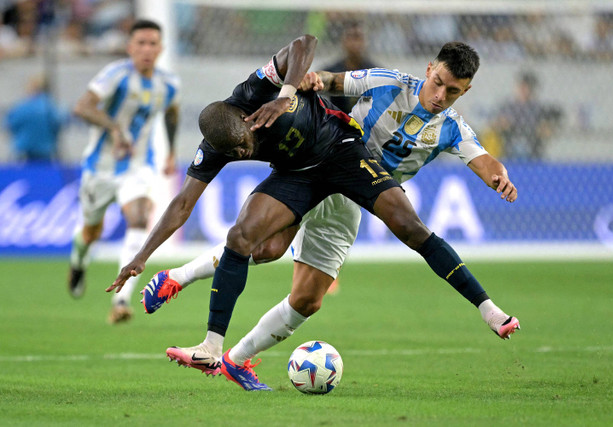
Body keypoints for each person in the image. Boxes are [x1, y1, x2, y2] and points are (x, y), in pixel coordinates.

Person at [108, 35, 519, 391]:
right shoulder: (388, 83)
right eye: (438, 84)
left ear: (462, 92)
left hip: (352, 178)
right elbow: (331, 80)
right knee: (256, 243)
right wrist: (311, 80)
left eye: (451, 91)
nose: (439, 96)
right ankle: (193, 311)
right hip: (316, 167)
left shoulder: (453, 128)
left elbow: (485, 162)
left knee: (306, 298)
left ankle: (232, 354)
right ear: (429, 70)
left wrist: (499, 178)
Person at [69, 19, 180, 324]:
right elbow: (83, 107)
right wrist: (114, 127)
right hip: (100, 168)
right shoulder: (116, 75)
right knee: (92, 231)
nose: (146, 49)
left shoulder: (168, 84)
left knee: (140, 218)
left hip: (139, 166)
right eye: (141, 43)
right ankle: (78, 261)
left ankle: (120, 300)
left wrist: (170, 150)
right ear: (130, 47)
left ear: (161, 49)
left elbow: (172, 112)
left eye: (152, 43)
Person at [490, 71, 562, 160]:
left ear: (532, 89)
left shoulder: (538, 108)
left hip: (533, 147)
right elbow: (495, 125)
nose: (523, 90)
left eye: (526, 87)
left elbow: (546, 130)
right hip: (509, 146)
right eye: (521, 86)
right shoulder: (508, 106)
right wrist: (503, 124)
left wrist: (540, 128)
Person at [4, 75, 69, 163]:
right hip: (47, 151)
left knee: (23, 175)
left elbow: (9, 124)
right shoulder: (51, 106)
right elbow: (60, 121)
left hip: (24, 150)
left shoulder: (21, 106)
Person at [323, 21, 378, 114]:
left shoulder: (375, 73)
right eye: (351, 37)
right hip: (337, 123)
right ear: (343, 41)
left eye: (358, 37)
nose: (355, 43)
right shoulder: (331, 71)